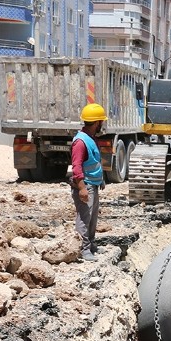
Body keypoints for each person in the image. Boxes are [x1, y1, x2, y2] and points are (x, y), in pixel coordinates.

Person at [70, 103, 106, 262]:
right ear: (97, 122)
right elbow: (76, 166)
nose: (102, 124)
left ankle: (91, 244)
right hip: (85, 185)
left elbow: (94, 161)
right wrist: (82, 188)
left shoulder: (90, 138)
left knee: (92, 218)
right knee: (84, 218)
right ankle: (83, 250)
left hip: (93, 183)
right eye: (101, 122)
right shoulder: (80, 142)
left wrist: (101, 179)